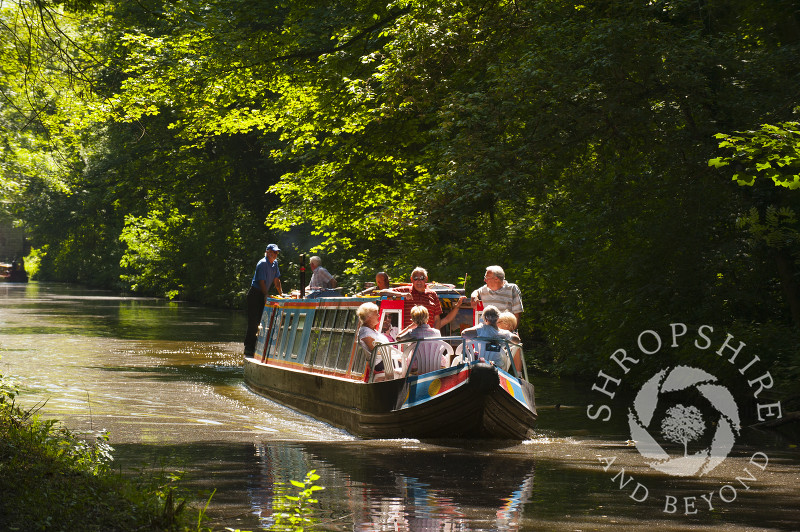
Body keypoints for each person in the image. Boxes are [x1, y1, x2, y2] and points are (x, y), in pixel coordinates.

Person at [380, 267, 464, 330]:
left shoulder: (433, 294)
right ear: (411, 279)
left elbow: (437, 319)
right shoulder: (405, 290)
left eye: (422, 278)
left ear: (426, 279)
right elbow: (382, 292)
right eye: (416, 278)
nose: (419, 281)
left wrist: (435, 338)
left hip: (427, 339)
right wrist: (402, 294)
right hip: (408, 338)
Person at [244, 244, 283, 357]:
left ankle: (257, 346)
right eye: (274, 252)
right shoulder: (262, 263)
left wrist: (281, 294)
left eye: (276, 253)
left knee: (262, 320)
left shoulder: (274, 264)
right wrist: (266, 294)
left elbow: (277, 280)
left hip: (263, 293)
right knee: (254, 322)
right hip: (255, 294)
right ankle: (248, 348)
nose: (275, 255)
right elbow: (261, 281)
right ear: (267, 252)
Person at [356, 302, 392, 380]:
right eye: (376, 314)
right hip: (382, 363)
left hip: (386, 361)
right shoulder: (365, 332)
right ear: (369, 317)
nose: (379, 315)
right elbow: (376, 351)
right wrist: (393, 354)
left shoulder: (371, 330)